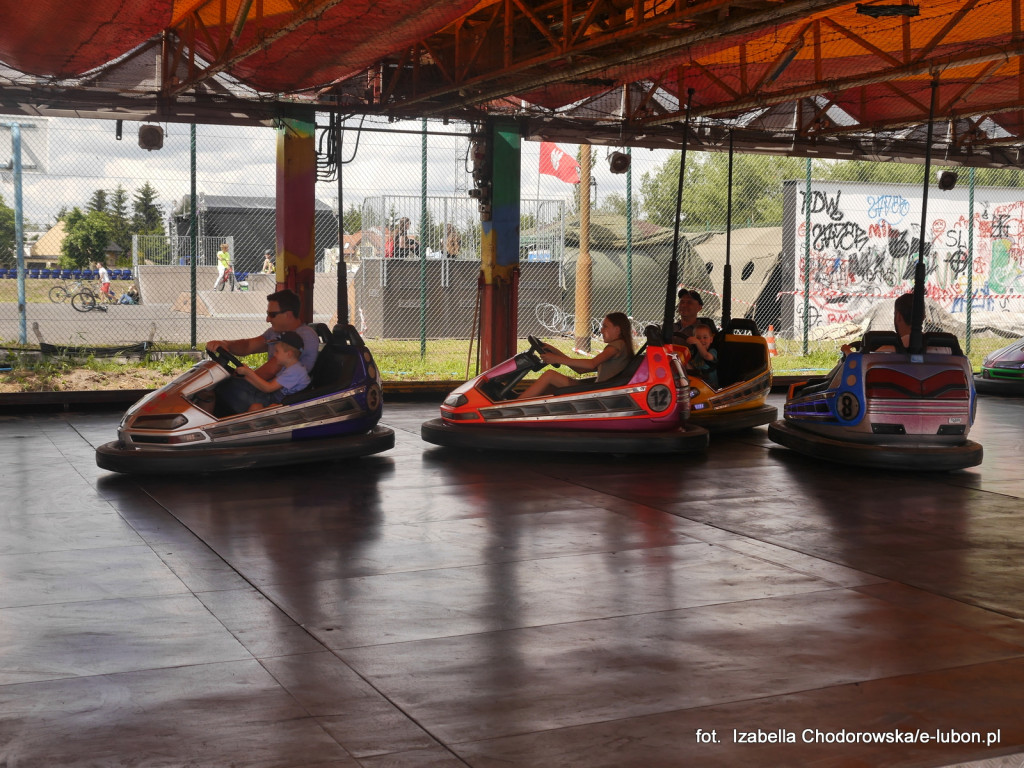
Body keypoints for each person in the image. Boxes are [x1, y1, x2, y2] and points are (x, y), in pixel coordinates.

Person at [203, 289, 320, 415]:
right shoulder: (276, 332)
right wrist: (226, 344)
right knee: (212, 385)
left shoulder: (303, 336)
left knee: (210, 391)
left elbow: (271, 370)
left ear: (288, 315)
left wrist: (242, 375)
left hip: (277, 397)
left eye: (272, 314)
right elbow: (249, 346)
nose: (267, 319)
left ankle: (205, 429)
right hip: (266, 390)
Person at [519, 313, 634, 399]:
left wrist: (557, 359)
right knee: (549, 387)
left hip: (599, 392)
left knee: (550, 375)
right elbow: (581, 369)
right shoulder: (621, 346)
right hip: (598, 388)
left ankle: (513, 405)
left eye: (605, 326)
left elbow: (591, 363)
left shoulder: (617, 345)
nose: (601, 330)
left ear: (617, 329)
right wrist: (554, 350)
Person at [234, 330, 311, 411]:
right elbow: (269, 385)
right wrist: (246, 376)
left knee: (253, 406)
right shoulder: (289, 368)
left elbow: (268, 388)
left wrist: (249, 373)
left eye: (277, 351)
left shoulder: (295, 371)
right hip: (277, 399)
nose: (274, 354)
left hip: (285, 405)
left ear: (289, 354)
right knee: (255, 406)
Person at [687, 321, 719, 388]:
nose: (701, 340)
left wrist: (698, 343)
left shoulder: (712, 351)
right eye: (698, 338)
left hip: (710, 386)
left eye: (705, 337)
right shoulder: (693, 353)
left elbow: (706, 356)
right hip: (697, 383)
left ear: (711, 339)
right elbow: (690, 367)